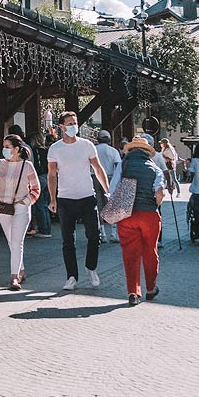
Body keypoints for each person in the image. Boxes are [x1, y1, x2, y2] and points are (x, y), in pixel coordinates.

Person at [47, 111, 108, 289]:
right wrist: (52, 198)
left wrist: (107, 190)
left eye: (75, 122)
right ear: (62, 127)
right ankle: (72, 276)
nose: (74, 126)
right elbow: (52, 175)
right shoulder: (55, 149)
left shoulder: (87, 145)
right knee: (68, 240)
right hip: (65, 199)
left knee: (94, 235)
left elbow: (97, 168)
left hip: (87, 197)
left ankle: (91, 267)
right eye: (70, 123)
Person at [111, 134, 166, 305]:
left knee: (130, 253)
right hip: (149, 214)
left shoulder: (123, 165)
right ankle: (150, 288)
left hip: (127, 215)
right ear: (147, 152)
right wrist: (154, 204)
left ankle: (133, 292)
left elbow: (113, 189)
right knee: (150, 252)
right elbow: (160, 193)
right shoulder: (154, 168)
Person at [0, 133, 41, 289]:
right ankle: (21, 270)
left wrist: (25, 202)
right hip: (3, 206)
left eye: (7, 147)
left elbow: (36, 189)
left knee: (17, 242)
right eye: (4, 147)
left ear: (17, 149)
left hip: (21, 208)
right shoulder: (0, 164)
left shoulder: (27, 166)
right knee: (11, 241)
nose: (4, 150)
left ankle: (14, 277)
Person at [94, 130, 124, 245]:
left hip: (95, 177)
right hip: (110, 177)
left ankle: (102, 233)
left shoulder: (94, 149)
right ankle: (113, 232)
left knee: (99, 205)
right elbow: (118, 166)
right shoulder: (113, 151)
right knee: (112, 205)